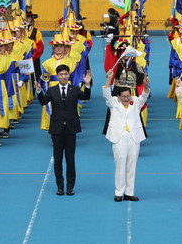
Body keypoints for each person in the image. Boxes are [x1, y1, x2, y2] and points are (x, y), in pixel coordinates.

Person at [34, 64, 92, 196]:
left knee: (70, 160)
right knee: (58, 160)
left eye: (66, 74)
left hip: (71, 129)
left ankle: (70, 187)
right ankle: (60, 186)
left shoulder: (75, 89)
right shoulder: (51, 90)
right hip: (57, 129)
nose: (64, 76)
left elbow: (85, 97)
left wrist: (87, 85)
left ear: (69, 75)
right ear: (57, 76)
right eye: (61, 74)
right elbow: (43, 102)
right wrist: (39, 91)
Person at [103, 69, 150, 202]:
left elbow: (144, 95)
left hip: (134, 137)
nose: (126, 98)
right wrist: (109, 79)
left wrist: (146, 85)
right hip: (119, 137)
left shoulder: (135, 102)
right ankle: (119, 192)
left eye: (128, 96)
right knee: (120, 165)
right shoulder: (113, 103)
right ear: (118, 96)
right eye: (123, 96)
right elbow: (106, 93)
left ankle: (129, 193)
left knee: (131, 166)